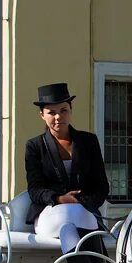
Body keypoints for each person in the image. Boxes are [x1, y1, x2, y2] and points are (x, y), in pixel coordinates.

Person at [24, 83, 110, 254]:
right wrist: (60, 199)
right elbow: (35, 189)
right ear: (42, 115)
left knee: (74, 222)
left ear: (70, 110)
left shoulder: (88, 141)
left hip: (83, 210)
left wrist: (84, 201)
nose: (58, 117)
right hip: (49, 211)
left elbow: (102, 186)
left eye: (63, 110)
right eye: (51, 112)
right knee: (70, 221)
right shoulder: (35, 146)